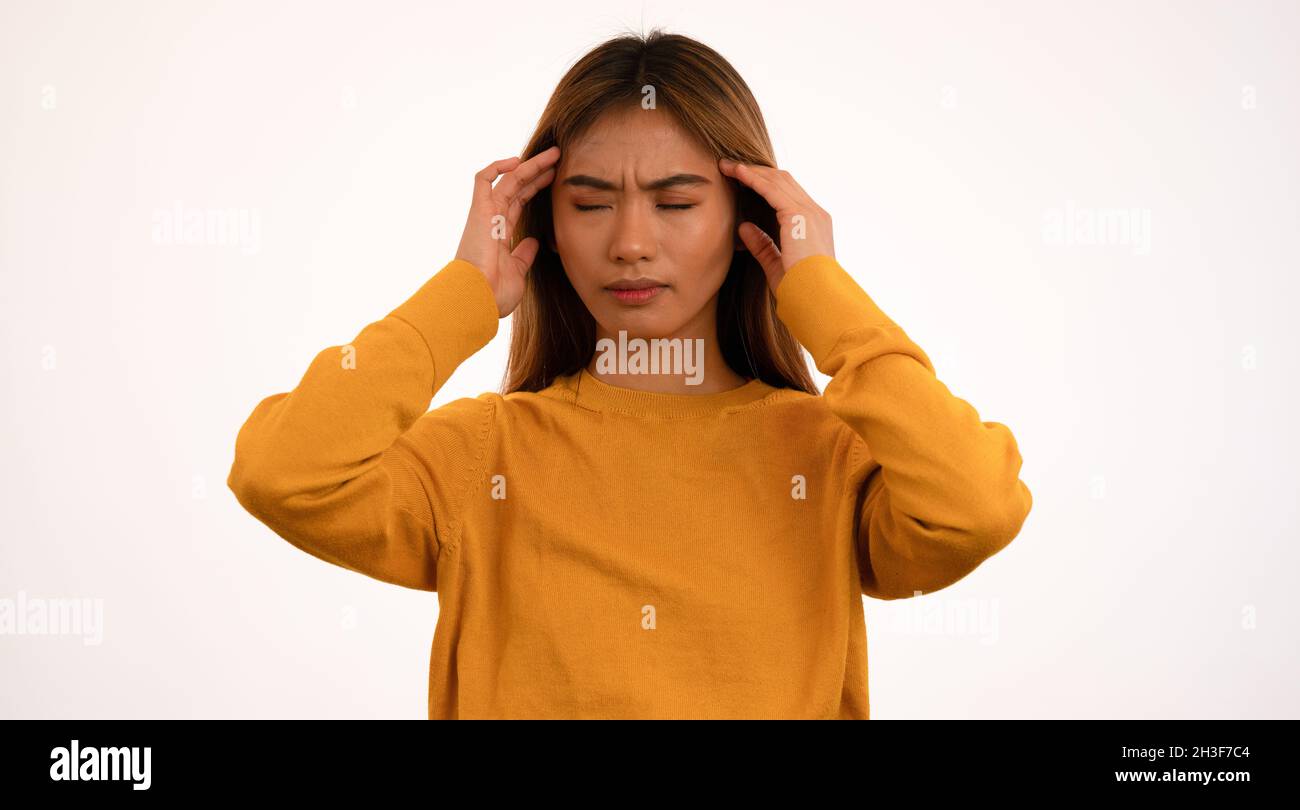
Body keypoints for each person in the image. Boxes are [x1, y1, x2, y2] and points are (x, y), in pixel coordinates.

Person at [228, 29, 1033, 719]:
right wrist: (464, 293)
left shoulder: (826, 457)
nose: (630, 243)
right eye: (589, 203)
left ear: (750, 219)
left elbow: (977, 507)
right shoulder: (483, 458)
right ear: (545, 220)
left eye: (676, 203)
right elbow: (282, 473)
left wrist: (822, 296)